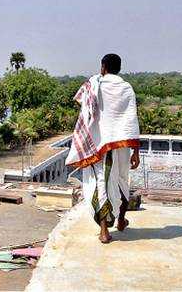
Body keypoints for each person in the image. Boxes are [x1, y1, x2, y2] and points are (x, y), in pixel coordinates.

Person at [66, 54, 141, 244]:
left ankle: (104, 230)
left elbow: (84, 108)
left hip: (100, 145)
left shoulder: (94, 85)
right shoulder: (127, 88)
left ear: (103, 67)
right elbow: (132, 119)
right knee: (122, 181)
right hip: (122, 144)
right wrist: (136, 151)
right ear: (119, 68)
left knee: (103, 184)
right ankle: (121, 220)